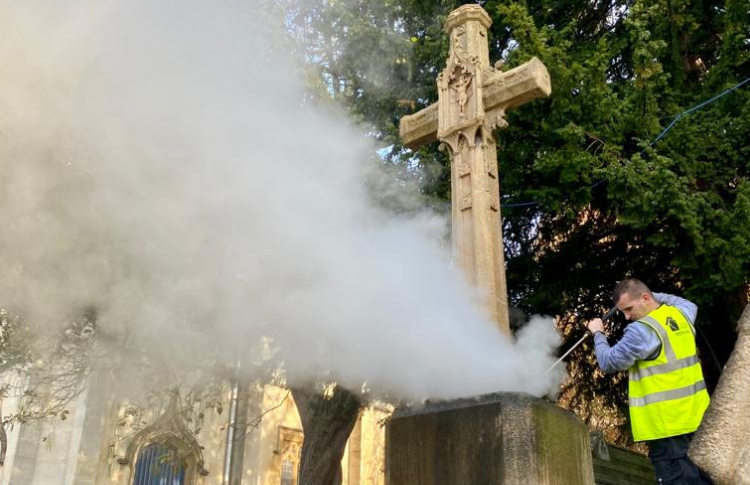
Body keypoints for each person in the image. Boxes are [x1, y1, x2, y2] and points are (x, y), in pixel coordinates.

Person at [587, 278, 714, 485]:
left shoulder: (641, 331)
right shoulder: (681, 314)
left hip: (668, 430)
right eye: (623, 311)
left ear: (645, 298)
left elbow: (609, 362)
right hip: (697, 422)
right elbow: (683, 302)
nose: (627, 317)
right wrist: (650, 294)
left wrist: (598, 333)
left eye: (628, 308)